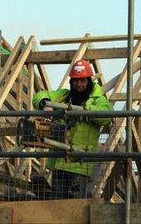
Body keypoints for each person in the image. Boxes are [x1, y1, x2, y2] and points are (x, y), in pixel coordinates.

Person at [32, 59, 112, 199]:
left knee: (77, 205)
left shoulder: (97, 101)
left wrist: (83, 111)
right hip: (60, 161)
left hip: (80, 163)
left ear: (89, 81)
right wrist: (45, 102)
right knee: (58, 204)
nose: (79, 85)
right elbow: (40, 95)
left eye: (82, 81)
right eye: (75, 81)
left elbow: (106, 116)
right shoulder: (64, 95)